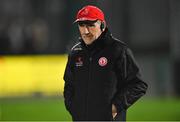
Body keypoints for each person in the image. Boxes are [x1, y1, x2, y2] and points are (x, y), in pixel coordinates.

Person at [63, 5, 148, 121]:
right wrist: (74, 109)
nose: (85, 31)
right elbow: (69, 86)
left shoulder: (118, 50)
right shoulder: (75, 53)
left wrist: (115, 107)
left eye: (91, 25)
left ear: (102, 25)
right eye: (81, 25)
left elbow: (138, 85)